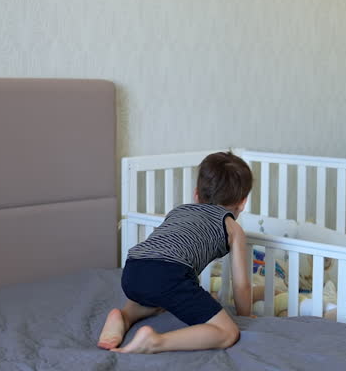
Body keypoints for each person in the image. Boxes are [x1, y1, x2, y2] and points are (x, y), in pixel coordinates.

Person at [98, 151, 253, 353]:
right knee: (228, 332)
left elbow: (164, 249)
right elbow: (242, 286)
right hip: (168, 274)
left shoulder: (179, 211)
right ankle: (155, 341)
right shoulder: (232, 227)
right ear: (242, 202)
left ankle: (123, 317)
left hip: (133, 269)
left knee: (159, 299)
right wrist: (245, 317)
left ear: (196, 194)